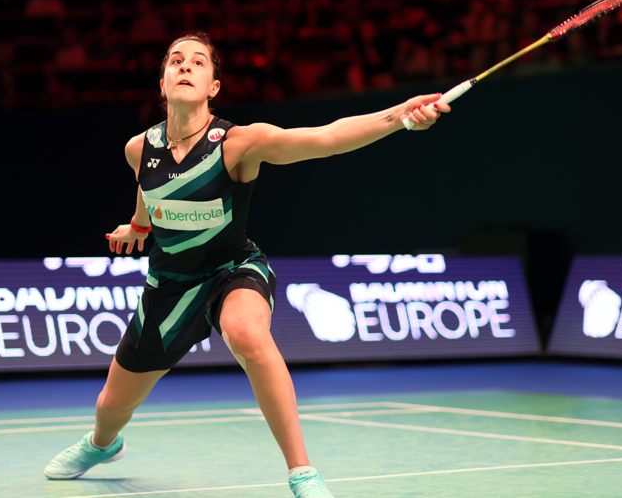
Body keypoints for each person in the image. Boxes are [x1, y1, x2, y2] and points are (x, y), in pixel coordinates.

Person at [43, 32, 448, 497]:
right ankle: (101, 444)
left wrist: (400, 117)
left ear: (214, 85)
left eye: (198, 62)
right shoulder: (140, 148)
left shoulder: (238, 144)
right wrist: (137, 227)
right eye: (175, 60)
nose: (185, 66)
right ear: (162, 82)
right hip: (170, 286)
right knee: (111, 405)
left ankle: (302, 473)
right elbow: (149, 190)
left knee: (247, 332)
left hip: (232, 270)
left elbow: (326, 138)